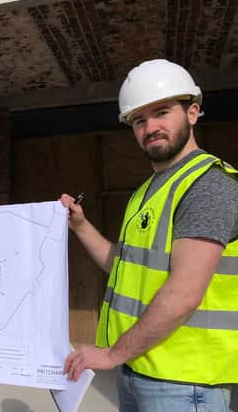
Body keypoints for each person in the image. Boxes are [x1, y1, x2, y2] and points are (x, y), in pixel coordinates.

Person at [60, 59, 238, 411]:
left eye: (162, 112)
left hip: (186, 383)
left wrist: (112, 354)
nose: (150, 127)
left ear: (192, 113)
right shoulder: (147, 192)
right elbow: (122, 267)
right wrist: (81, 226)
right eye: (139, 120)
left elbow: (184, 294)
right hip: (139, 367)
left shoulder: (208, 185)